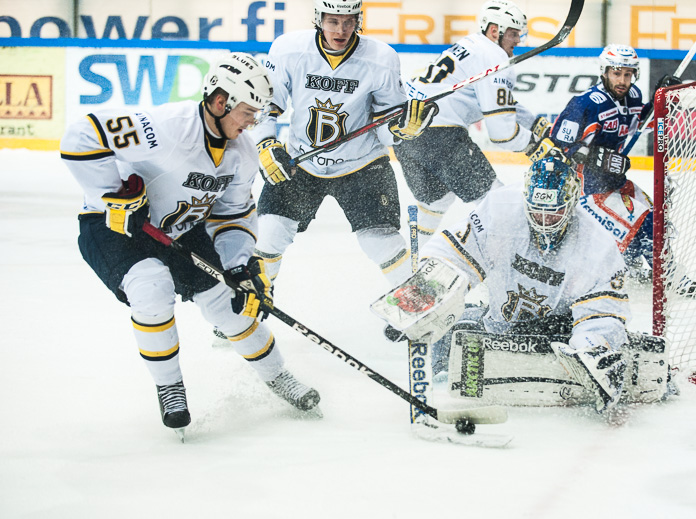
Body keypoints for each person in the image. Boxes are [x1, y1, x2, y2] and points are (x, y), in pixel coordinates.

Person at [60, 52, 320, 433]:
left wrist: (239, 266)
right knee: (151, 289)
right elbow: (81, 135)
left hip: (179, 230)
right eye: (249, 112)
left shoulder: (243, 153)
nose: (254, 122)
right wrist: (111, 196)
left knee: (230, 305)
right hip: (114, 229)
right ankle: (170, 389)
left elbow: (232, 216)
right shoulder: (164, 128)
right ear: (220, 102)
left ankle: (278, 376)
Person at [375, 156, 638, 413]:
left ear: (571, 204)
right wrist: (423, 295)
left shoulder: (599, 246)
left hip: (557, 336)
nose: (544, 220)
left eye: (553, 213)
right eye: (537, 211)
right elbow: (456, 255)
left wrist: (592, 345)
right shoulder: (501, 209)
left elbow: (602, 312)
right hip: (498, 325)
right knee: (449, 336)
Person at [251, 0, 436, 290]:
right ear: (318, 18)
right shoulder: (289, 50)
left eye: (349, 20)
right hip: (301, 161)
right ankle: (251, 305)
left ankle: (418, 304)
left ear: (358, 19)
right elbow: (267, 103)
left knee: (381, 242)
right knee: (269, 234)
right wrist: (264, 143)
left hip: (363, 164)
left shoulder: (380, 58)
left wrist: (402, 128)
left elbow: (388, 128)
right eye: (333, 20)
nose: (342, 29)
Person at [394, 0, 552, 248]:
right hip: (440, 136)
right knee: (496, 202)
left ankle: (414, 261)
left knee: (436, 201)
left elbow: (493, 100)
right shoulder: (496, 57)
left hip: (407, 134)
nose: (518, 41)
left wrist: (535, 124)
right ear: (494, 31)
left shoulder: (471, 45)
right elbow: (503, 134)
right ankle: (516, 267)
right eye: (513, 33)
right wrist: (535, 147)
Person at [538, 44, 678, 282]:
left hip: (612, 182)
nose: (622, 80)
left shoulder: (632, 96)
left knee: (656, 215)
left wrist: (660, 101)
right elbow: (557, 148)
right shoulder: (585, 104)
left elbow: (642, 124)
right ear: (604, 72)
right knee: (645, 220)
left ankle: (629, 264)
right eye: (616, 73)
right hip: (584, 188)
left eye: (627, 74)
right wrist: (598, 159)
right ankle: (669, 276)